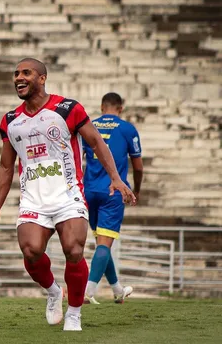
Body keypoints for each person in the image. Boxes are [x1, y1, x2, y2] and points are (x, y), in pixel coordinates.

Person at [0, 58, 136, 331]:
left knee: (73, 250)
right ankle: (52, 291)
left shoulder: (68, 108)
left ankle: (73, 313)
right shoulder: (11, 121)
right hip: (33, 199)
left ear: (42, 78)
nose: (18, 78)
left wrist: (116, 178)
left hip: (68, 195)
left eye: (26, 73)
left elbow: (95, 142)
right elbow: (5, 165)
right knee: (31, 251)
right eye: (15, 74)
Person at [83, 92, 143, 304]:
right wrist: (136, 189)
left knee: (102, 242)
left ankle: (118, 290)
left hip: (89, 191)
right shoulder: (127, 129)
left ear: (101, 107)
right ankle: (88, 291)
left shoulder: (88, 126)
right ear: (121, 108)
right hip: (113, 191)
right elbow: (137, 165)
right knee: (104, 244)